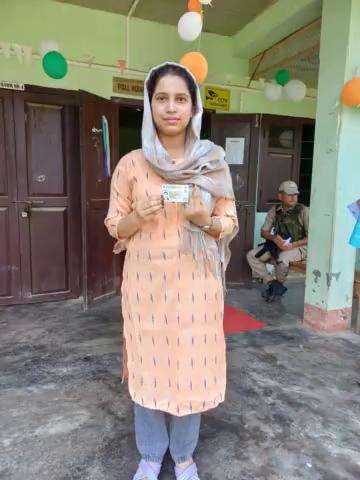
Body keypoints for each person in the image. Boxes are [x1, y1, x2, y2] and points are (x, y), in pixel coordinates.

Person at [105, 62, 238, 480]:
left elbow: (229, 222)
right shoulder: (131, 165)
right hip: (147, 288)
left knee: (190, 369)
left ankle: (183, 456)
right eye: (161, 98)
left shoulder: (212, 162)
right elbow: (115, 226)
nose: (171, 107)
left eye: (181, 98)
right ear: (149, 105)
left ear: (194, 106)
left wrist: (204, 220)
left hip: (197, 289)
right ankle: (149, 454)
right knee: (148, 367)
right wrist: (137, 218)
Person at [246, 181, 309, 302]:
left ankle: (276, 287)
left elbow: (311, 237)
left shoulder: (304, 211)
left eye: (295, 194)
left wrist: (292, 245)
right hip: (279, 244)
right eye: (289, 194)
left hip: (299, 246)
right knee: (252, 255)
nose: (293, 197)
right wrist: (275, 238)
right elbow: (263, 232)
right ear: (280, 196)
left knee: (283, 258)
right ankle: (273, 285)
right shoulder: (275, 210)